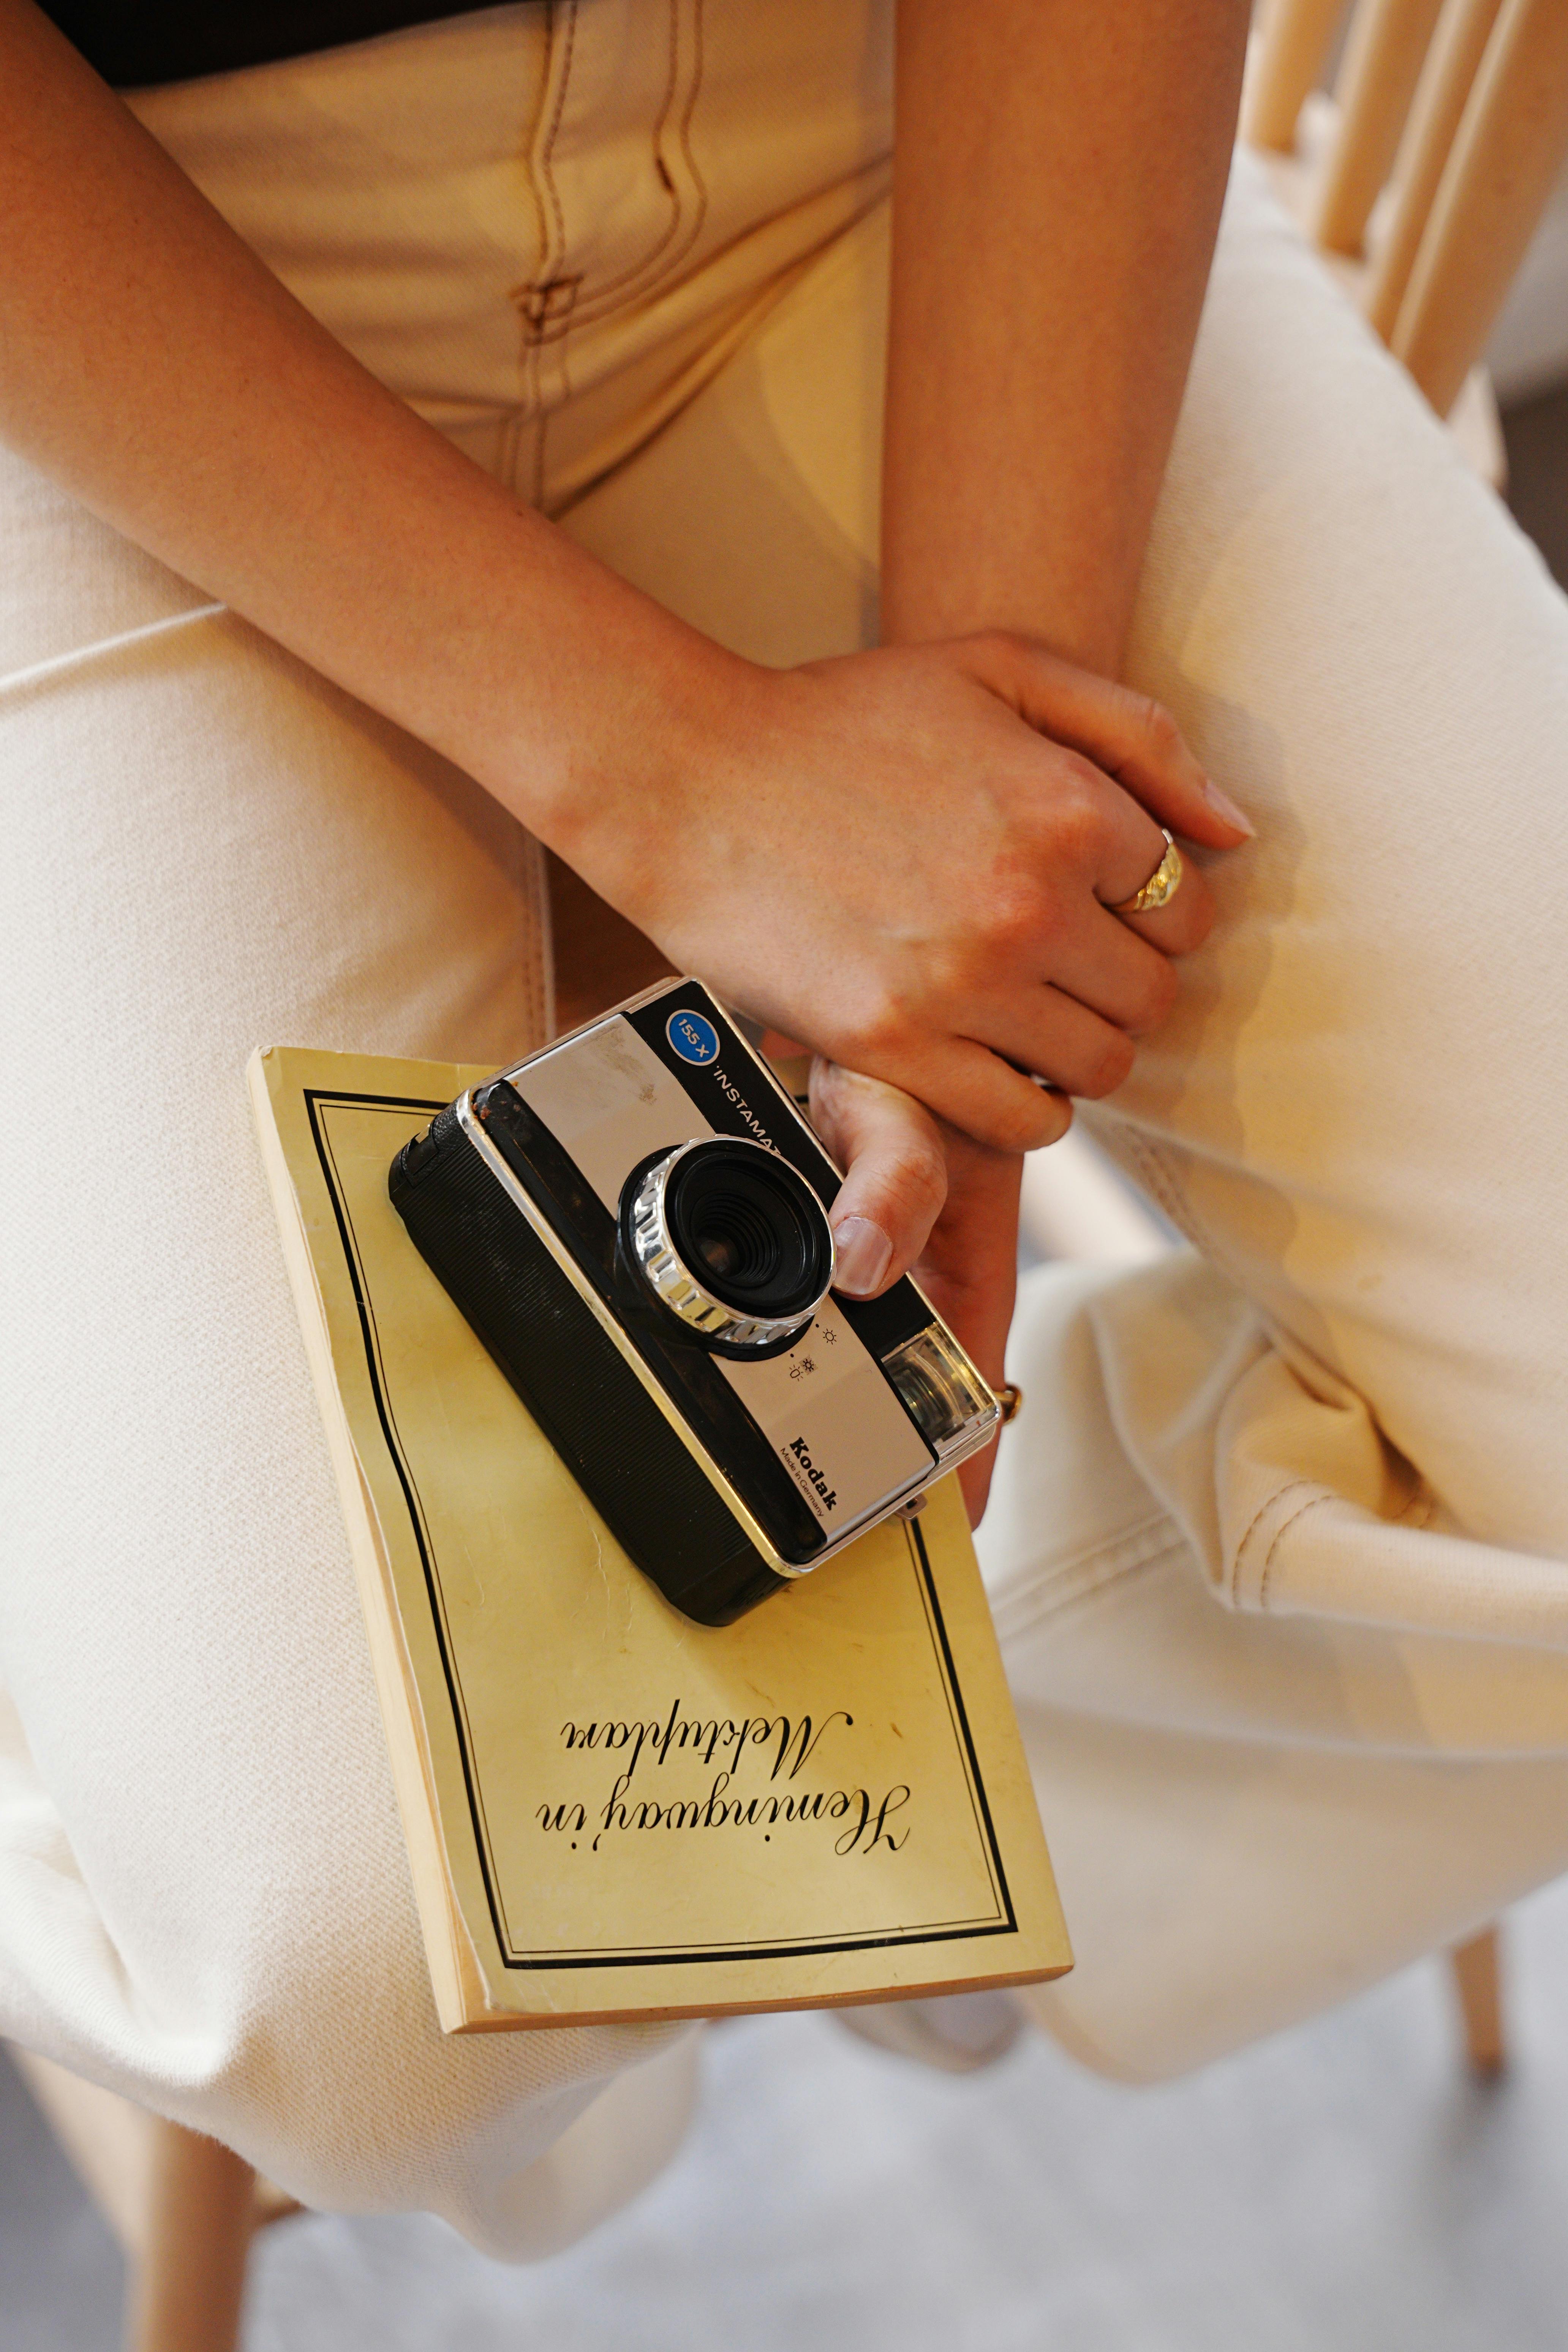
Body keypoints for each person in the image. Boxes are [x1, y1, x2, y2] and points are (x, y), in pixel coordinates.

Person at [5, 0, 1568, 2259]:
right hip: (121, 347)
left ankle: (866, 1820)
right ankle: (553, 1828)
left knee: (543, 1887)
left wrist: (963, 962)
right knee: (373, 2000)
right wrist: (680, 777)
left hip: (887, 173)